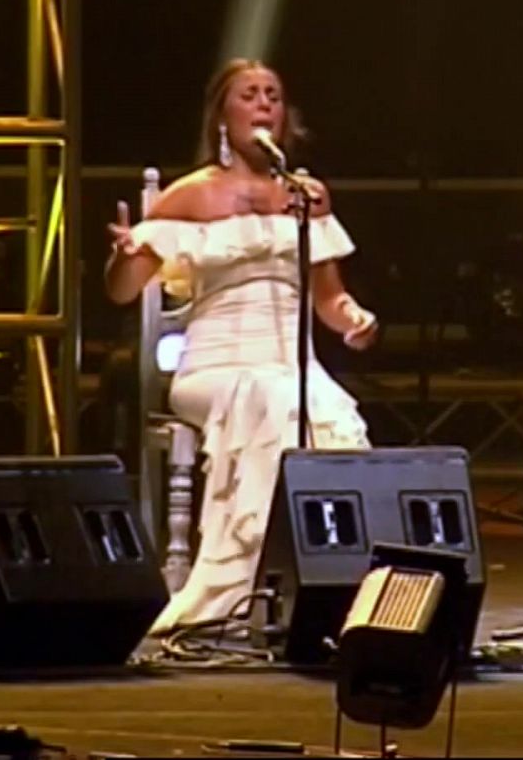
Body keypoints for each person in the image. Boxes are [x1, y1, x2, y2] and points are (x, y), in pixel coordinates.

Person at [105, 59, 380, 634]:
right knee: (270, 400)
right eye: (249, 95)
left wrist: (354, 319)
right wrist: (126, 254)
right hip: (216, 367)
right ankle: (230, 593)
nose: (264, 106)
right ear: (222, 117)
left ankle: (318, 589)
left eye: (273, 96)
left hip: (291, 367)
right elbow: (123, 291)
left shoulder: (305, 196)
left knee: (330, 413)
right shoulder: (192, 195)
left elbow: (330, 299)